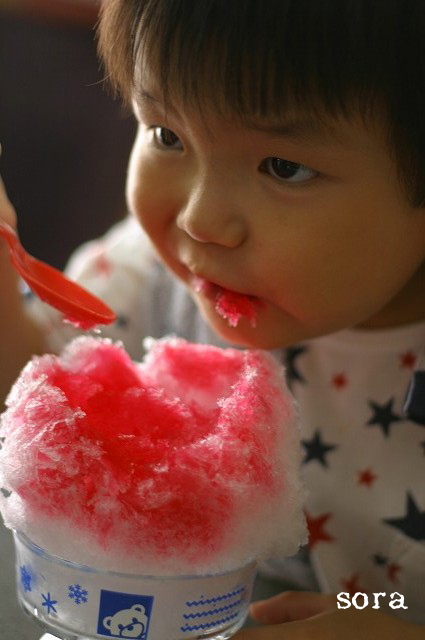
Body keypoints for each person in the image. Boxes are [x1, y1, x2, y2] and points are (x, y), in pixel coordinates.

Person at [1, 1, 424, 637]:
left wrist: (395, 625)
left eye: (283, 167)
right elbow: (27, 408)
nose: (199, 221)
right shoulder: (149, 276)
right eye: (166, 136)